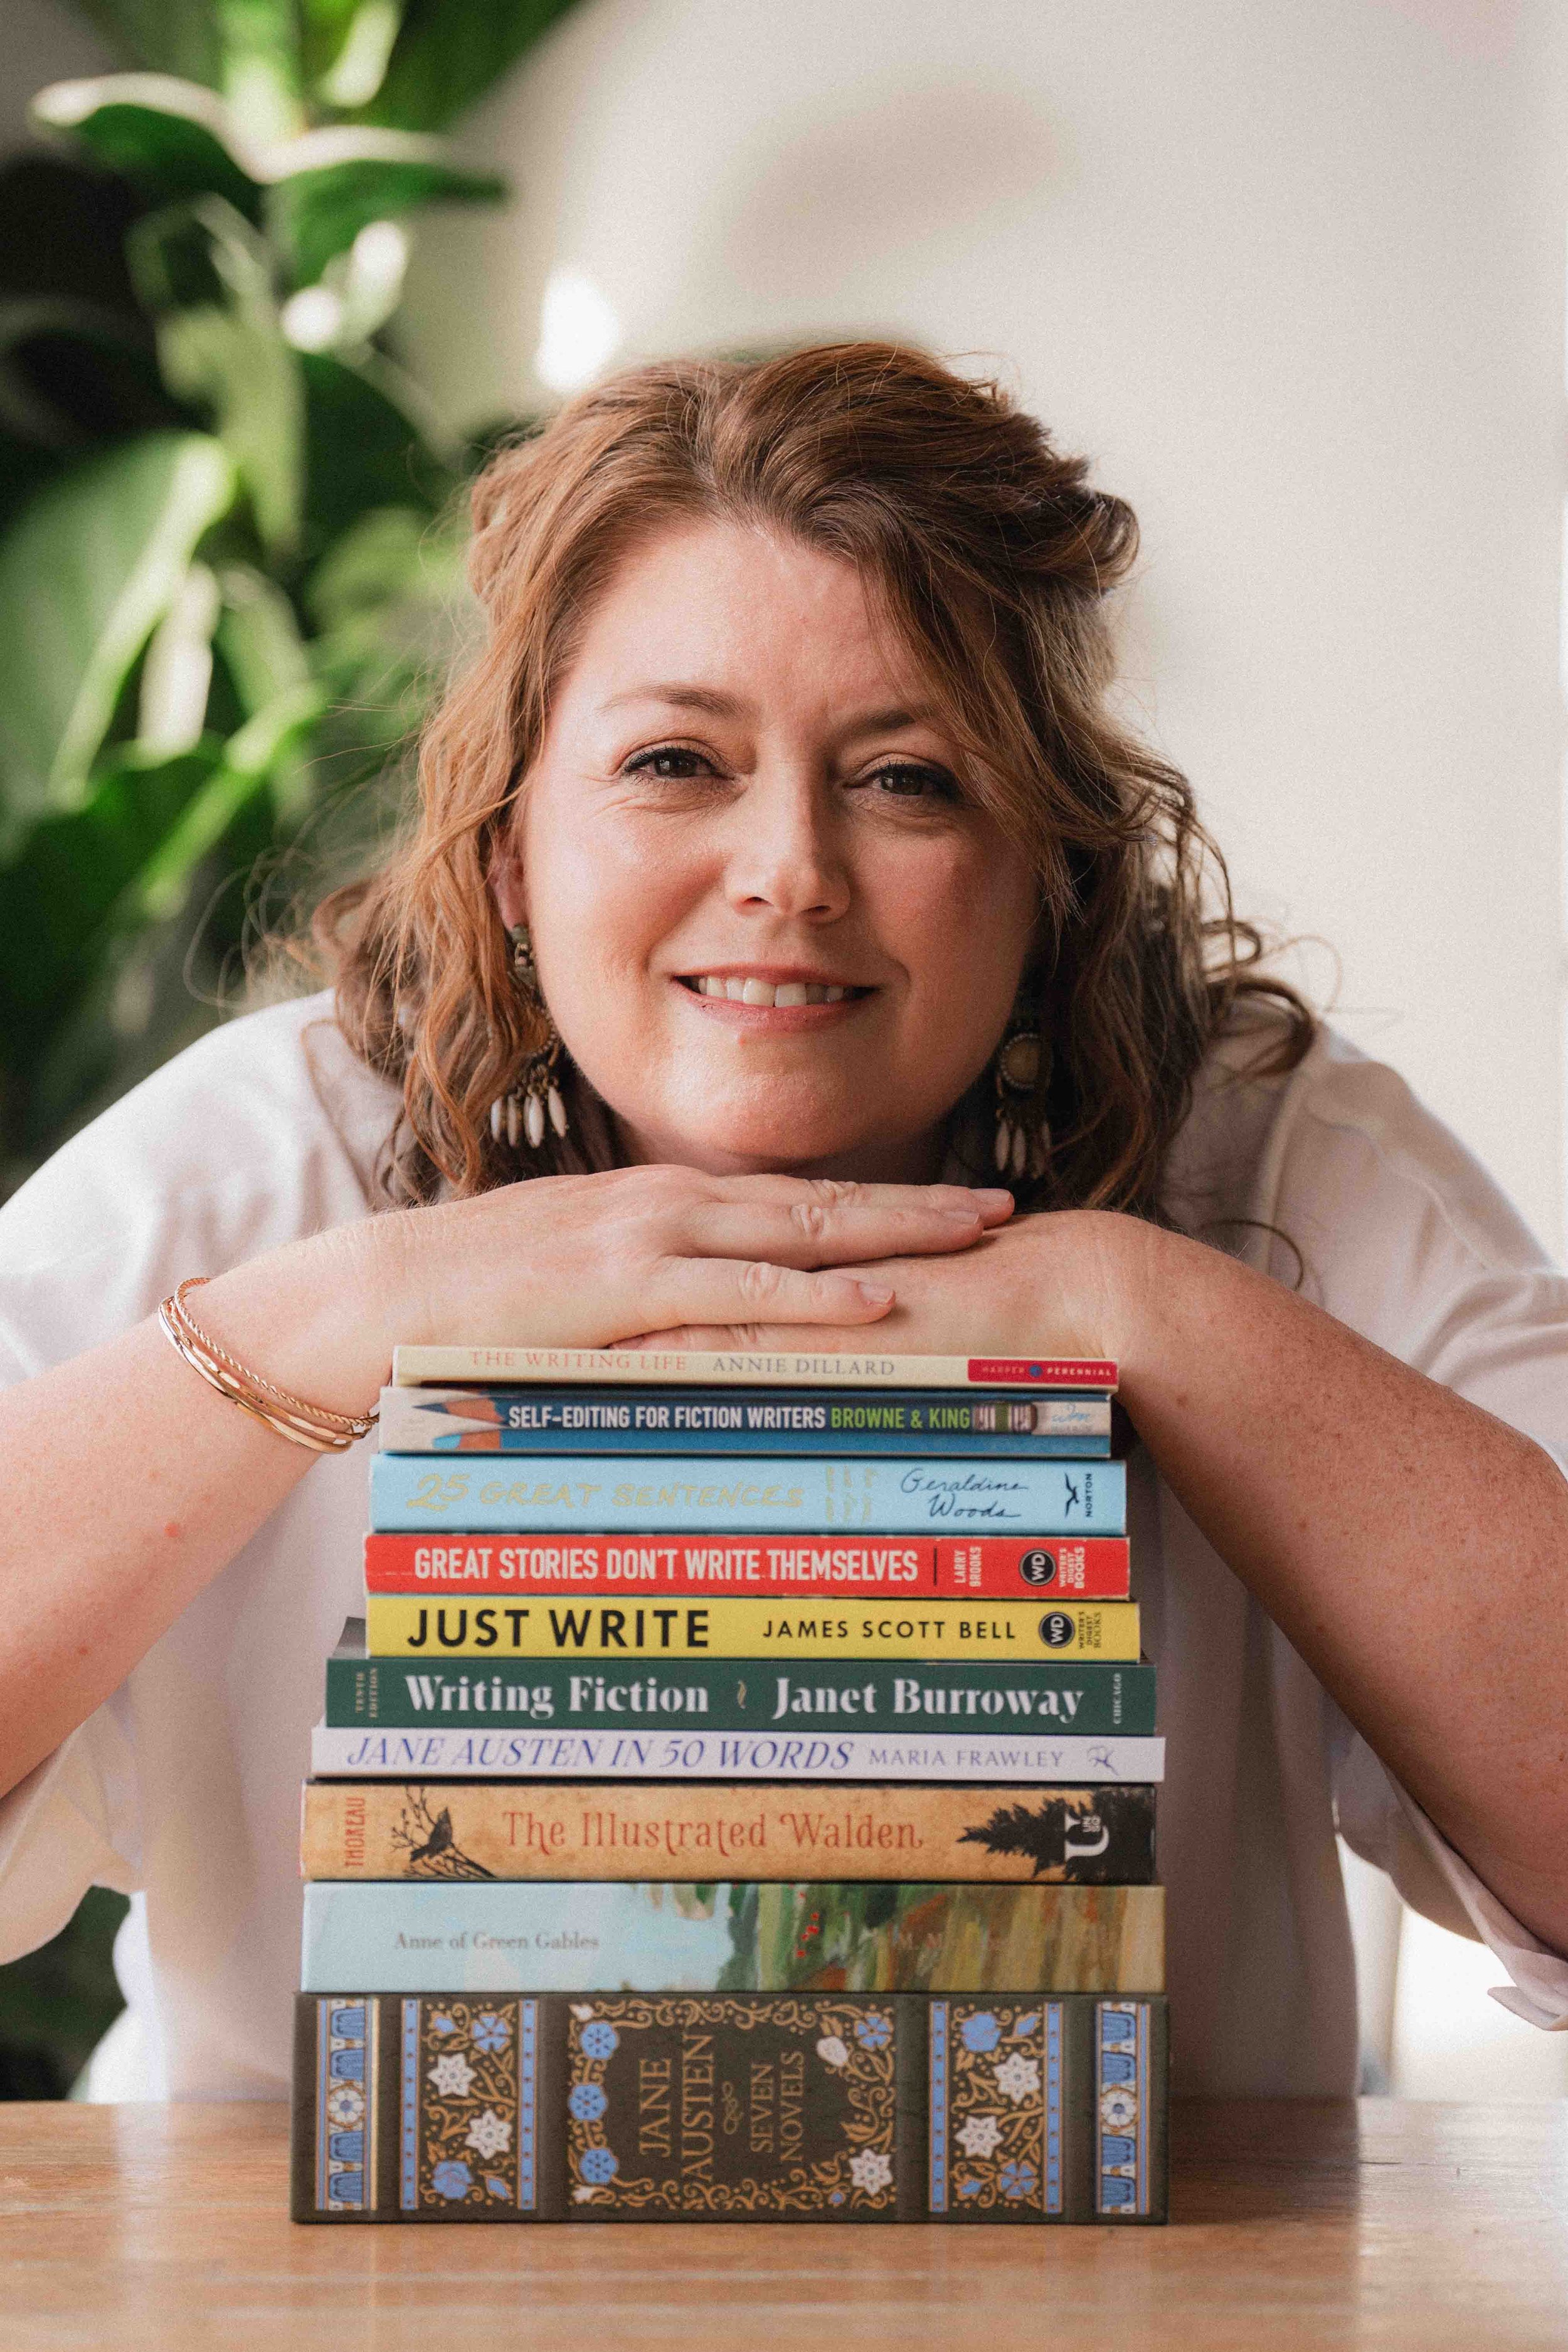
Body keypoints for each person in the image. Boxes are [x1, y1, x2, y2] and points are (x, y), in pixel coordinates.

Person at [1, 343, 1564, 2103]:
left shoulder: (1277, 1157)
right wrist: (318, 1322)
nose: (790, 873)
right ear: (514, 849)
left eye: (908, 779)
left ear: (1047, 873)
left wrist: (1161, 1314)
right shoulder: (269, 1156)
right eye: (675, 762)